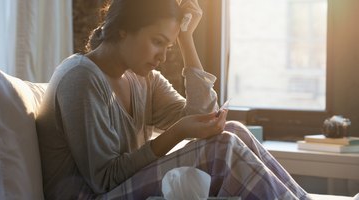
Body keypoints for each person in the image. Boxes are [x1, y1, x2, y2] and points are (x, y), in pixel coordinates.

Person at [36, 0, 310, 199]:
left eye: (168, 45)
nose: (163, 57)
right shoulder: (80, 78)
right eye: (157, 41)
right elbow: (104, 180)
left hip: (118, 187)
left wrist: (186, 39)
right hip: (92, 195)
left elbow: (203, 115)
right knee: (222, 150)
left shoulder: (143, 78)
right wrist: (177, 132)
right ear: (123, 30)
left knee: (232, 130)